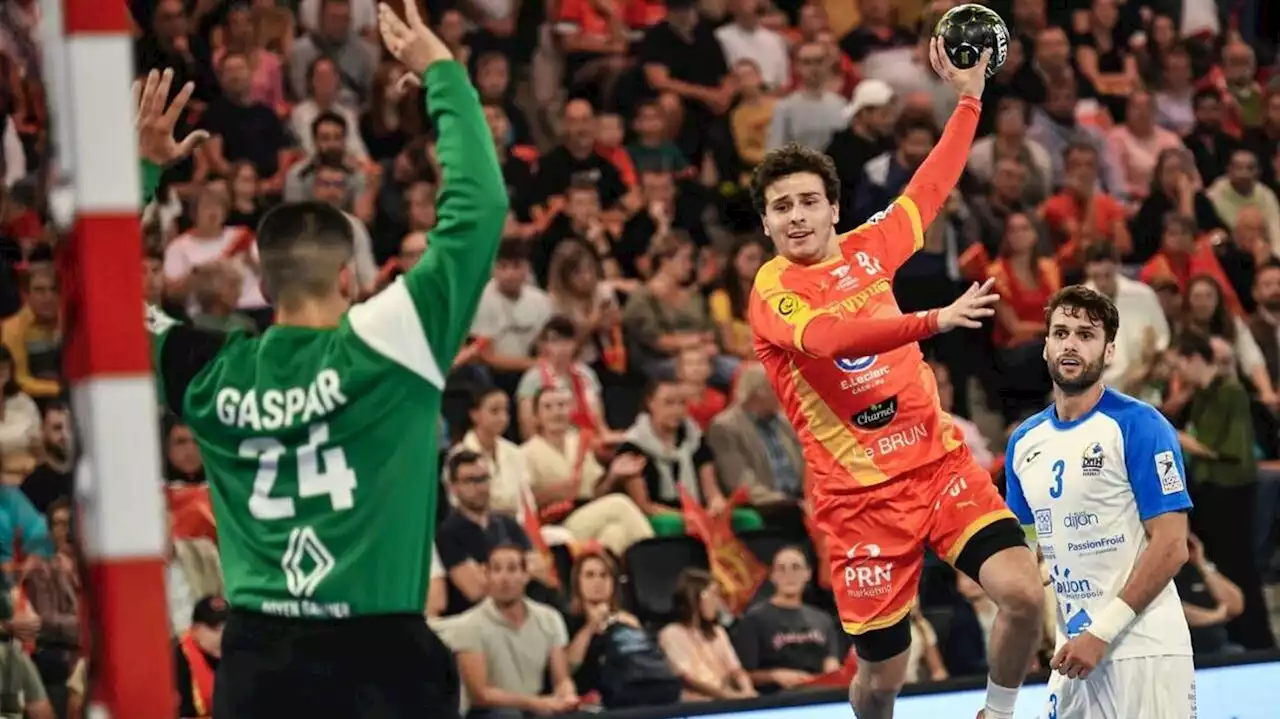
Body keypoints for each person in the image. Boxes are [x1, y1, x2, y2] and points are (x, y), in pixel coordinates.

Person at [137, 3, 507, 717]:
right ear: (347, 276)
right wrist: (443, 74)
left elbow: (99, 292)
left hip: (258, 666)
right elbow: (478, 210)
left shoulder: (208, 371)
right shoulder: (392, 335)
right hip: (382, 662)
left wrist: (142, 170)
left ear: (263, 285)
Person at [747, 39, 1045, 719]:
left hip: (937, 466)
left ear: (831, 207)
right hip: (860, 502)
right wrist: (933, 320)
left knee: (1025, 595)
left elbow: (932, 183)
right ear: (766, 223)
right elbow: (830, 338)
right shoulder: (773, 291)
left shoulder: (868, 247)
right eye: (782, 207)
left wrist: (971, 95)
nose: (796, 216)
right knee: (883, 676)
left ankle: (997, 712)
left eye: (807, 202)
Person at [1004, 285, 1195, 718]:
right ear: (1046, 346)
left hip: (1144, 651)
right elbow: (1028, 552)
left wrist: (1101, 633)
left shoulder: (1140, 425)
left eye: (1086, 335)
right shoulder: (1023, 442)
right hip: (1071, 655)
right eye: (1061, 332)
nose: (1071, 343)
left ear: (1109, 352)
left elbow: (1171, 545)